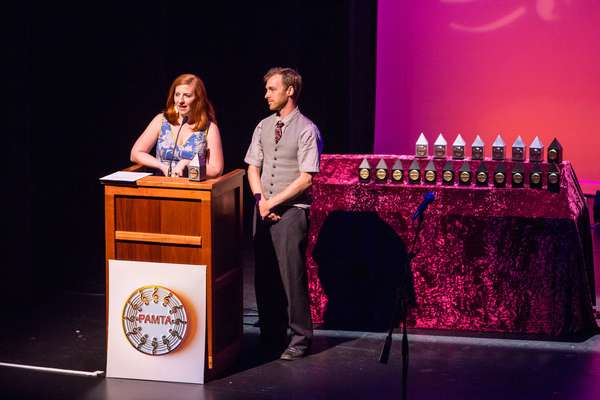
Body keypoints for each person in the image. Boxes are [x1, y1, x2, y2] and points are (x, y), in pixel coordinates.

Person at [245, 67, 323, 361]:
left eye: (272, 89)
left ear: (290, 91)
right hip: (264, 208)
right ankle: (271, 335)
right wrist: (261, 201)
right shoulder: (263, 125)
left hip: (292, 211)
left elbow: (306, 178)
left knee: (292, 277)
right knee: (265, 276)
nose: (266, 94)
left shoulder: (306, 129)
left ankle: (301, 339)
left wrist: (272, 203)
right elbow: (253, 167)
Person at [131, 74, 224, 178]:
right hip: (161, 186)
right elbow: (135, 153)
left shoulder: (209, 128)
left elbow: (216, 170)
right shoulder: (161, 120)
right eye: (177, 94)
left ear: (199, 99)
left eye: (187, 96)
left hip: (193, 189)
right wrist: (162, 166)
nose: (180, 101)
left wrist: (189, 164)